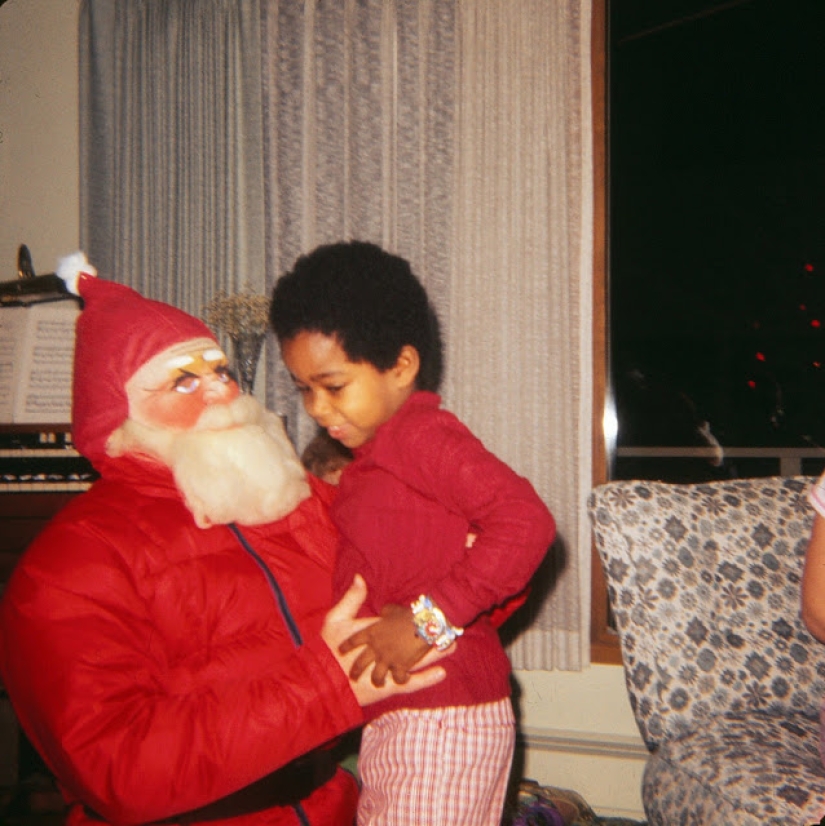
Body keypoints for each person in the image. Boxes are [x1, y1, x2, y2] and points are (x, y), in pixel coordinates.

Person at [0, 253, 445, 826]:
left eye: (220, 370)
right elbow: (118, 770)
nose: (219, 390)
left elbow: (466, 579)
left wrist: (435, 616)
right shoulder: (69, 564)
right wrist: (327, 686)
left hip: (334, 807)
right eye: (183, 380)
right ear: (119, 411)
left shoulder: (297, 498)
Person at [270, 240, 556, 826]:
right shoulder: (376, 459)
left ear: (401, 367)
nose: (317, 408)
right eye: (303, 389)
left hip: (439, 714)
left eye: (333, 385)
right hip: (407, 710)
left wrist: (430, 621)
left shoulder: (420, 438)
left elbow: (526, 522)